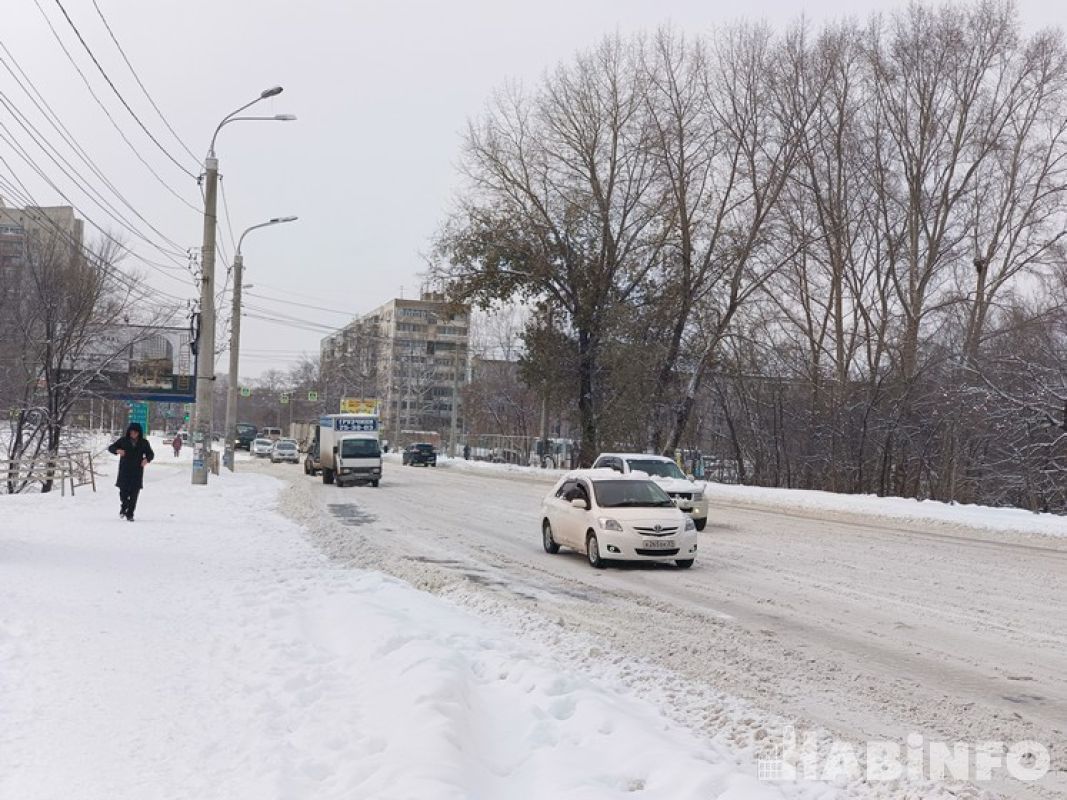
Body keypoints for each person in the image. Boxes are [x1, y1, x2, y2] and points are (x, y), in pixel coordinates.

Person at [107, 422, 154, 522]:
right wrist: (118, 450)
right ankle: (124, 506)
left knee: (134, 494)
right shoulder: (123, 441)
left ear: (139, 433)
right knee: (123, 493)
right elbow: (111, 448)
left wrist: (146, 460)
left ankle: (130, 514)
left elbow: (150, 454)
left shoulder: (144, 442)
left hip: (137, 471)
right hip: (125, 470)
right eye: (131, 432)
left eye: (135, 432)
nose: (133, 434)